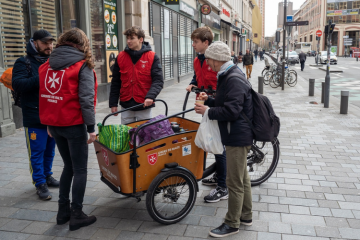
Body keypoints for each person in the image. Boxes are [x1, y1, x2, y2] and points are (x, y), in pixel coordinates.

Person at [38, 28, 98, 231]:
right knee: (80, 169)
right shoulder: (82, 66)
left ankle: (62, 212)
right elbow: (86, 101)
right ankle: (77, 214)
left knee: (68, 167)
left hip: (54, 125)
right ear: (82, 45)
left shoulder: (47, 65)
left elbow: (45, 95)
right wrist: (91, 128)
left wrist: (48, 123)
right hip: (73, 124)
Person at [194, 41, 253, 238]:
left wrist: (208, 111)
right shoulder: (228, 74)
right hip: (235, 133)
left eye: (209, 59)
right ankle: (245, 215)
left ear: (217, 59)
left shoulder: (233, 78)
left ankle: (232, 223)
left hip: (237, 135)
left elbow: (232, 111)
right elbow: (226, 102)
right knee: (242, 179)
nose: (207, 63)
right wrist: (209, 100)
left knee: (234, 182)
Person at [12, 29, 59, 201]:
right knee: (37, 151)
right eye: (45, 43)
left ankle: (47, 176)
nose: (49, 46)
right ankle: (39, 183)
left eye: (51, 42)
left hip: (52, 116)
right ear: (35, 42)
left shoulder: (52, 61)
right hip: (34, 116)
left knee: (50, 150)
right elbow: (18, 84)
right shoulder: (23, 62)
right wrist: (42, 77)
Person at [185, 26, 228, 203]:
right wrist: (192, 84)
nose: (193, 45)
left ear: (206, 43)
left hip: (217, 105)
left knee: (218, 144)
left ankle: (223, 186)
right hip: (204, 102)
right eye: (192, 42)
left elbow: (225, 82)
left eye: (195, 42)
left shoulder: (216, 61)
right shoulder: (197, 60)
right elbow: (197, 77)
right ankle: (219, 175)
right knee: (211, 140)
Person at [109, 26, 164, 124]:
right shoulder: (121, 57)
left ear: (141, 39)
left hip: (144, 105)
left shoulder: (152, 57)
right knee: (126, 134)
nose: (129, 41)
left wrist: (150, 96)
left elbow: (158, 81)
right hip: (126, 105)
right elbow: (116, 81)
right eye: (128, 38)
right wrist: (113, 103)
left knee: (144, 135)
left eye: (132, 38)